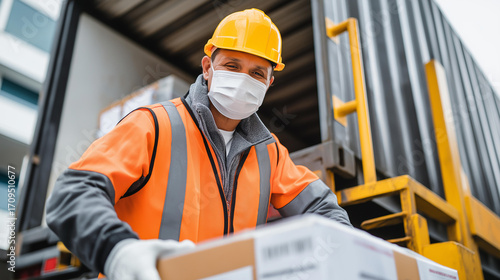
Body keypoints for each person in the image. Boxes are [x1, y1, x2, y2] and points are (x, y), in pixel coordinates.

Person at [46, 8, 351, 280]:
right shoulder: (154, 125)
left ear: (268, 83)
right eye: (232, 65)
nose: (244, 79)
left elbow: (322, 208)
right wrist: (116, 250)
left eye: (257, 73)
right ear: (208, 68)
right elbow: (72, 194)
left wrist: (346, 256)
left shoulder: (268, 152)